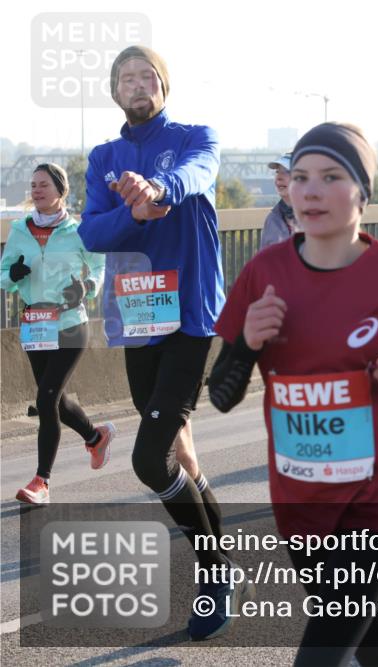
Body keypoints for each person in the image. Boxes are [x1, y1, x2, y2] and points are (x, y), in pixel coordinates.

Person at [208, 122, 378, 666]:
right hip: (300, 501)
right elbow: (220, 395)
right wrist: (247, 343)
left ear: (362, 193)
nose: (311, 190)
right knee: (376, 647)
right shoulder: (263, 273)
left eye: (331, 177)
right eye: (301, 177)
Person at [77, 45, 242, 640]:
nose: (137, 84)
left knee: (150, 460)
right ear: (115, 92)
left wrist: (158, 191)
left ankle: (214, 575)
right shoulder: (103, 157)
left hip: (190, 317)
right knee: (181, 455)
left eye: (147, 76)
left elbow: (197, 175)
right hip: (138, 317)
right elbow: (91, 231)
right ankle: (223, 566)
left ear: (163, 86)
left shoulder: (197, 136)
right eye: (126, 78)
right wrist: (136, 216)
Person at [0, 164, 115, 505]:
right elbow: (3, 274)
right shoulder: (19, 230)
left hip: (70, 325)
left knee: (46, 399)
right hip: (36, 324)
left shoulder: (77, 231)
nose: (36, 190)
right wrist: (12, 274)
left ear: (61, 191)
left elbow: (99, 267)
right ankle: (95, 437)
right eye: (33, 185)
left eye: (44, 185)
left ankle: (42, 482)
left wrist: (87, 287)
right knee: (57, 401)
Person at [259, 152, 298, 250]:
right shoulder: (272, 220)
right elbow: (264, 257)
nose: (279, 177)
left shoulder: (315, 217)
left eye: (286, 172)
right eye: (277, 172)